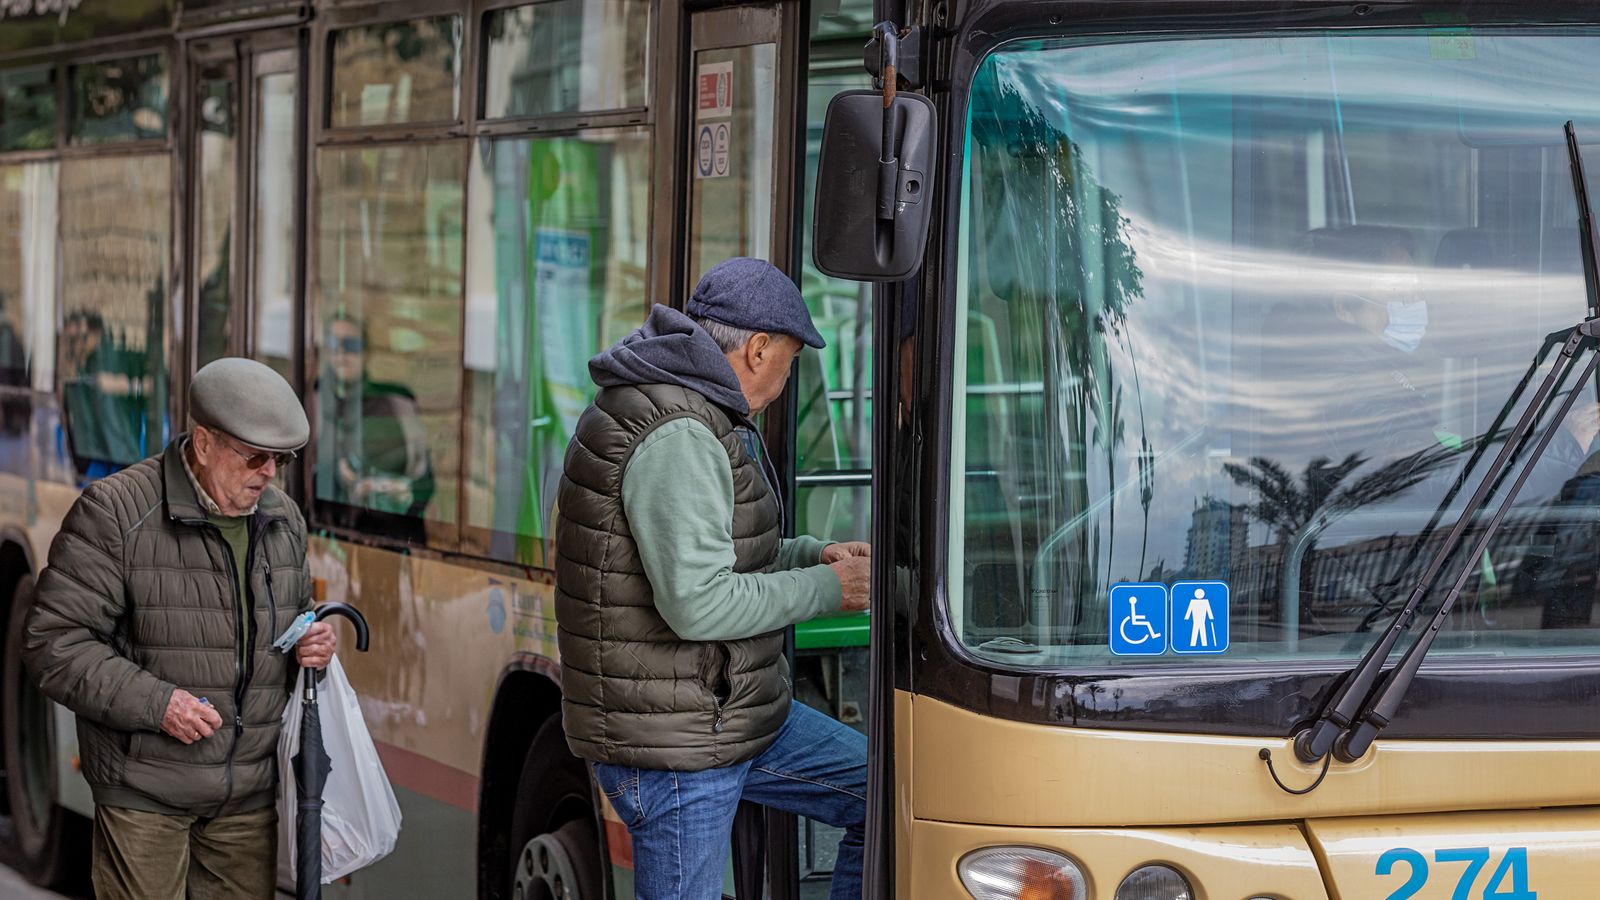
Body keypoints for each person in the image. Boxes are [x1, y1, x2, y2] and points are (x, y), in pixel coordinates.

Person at [555, 257, 872, 900]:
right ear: (758, 350)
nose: (789, 375)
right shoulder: (678, 432)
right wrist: (827, 592)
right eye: (790, 357)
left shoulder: (689, 406)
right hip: (677, 745)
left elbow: (708, 553)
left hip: (722, 715)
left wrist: (813, 554)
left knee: (877, 790)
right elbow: (699, 603)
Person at [23, 357, 337, 900]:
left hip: (247, 798)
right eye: (254, 456)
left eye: (280, 459)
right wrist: (158, 704)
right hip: (145, 790)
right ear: (205, 441)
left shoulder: (284, 520)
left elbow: (285, 624)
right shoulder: (116, 512)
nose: (268, 472)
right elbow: (54, 642)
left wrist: (309, 643)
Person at [316, 313, 434, 519]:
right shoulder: (311, 400)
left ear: (366, 352)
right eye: (334, 344)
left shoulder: (395, 403)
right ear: (326, 350)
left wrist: (392, 488)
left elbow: (422, 480)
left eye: (351, 344)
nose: (341, 352)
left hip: (383, 526)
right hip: (321, 529)